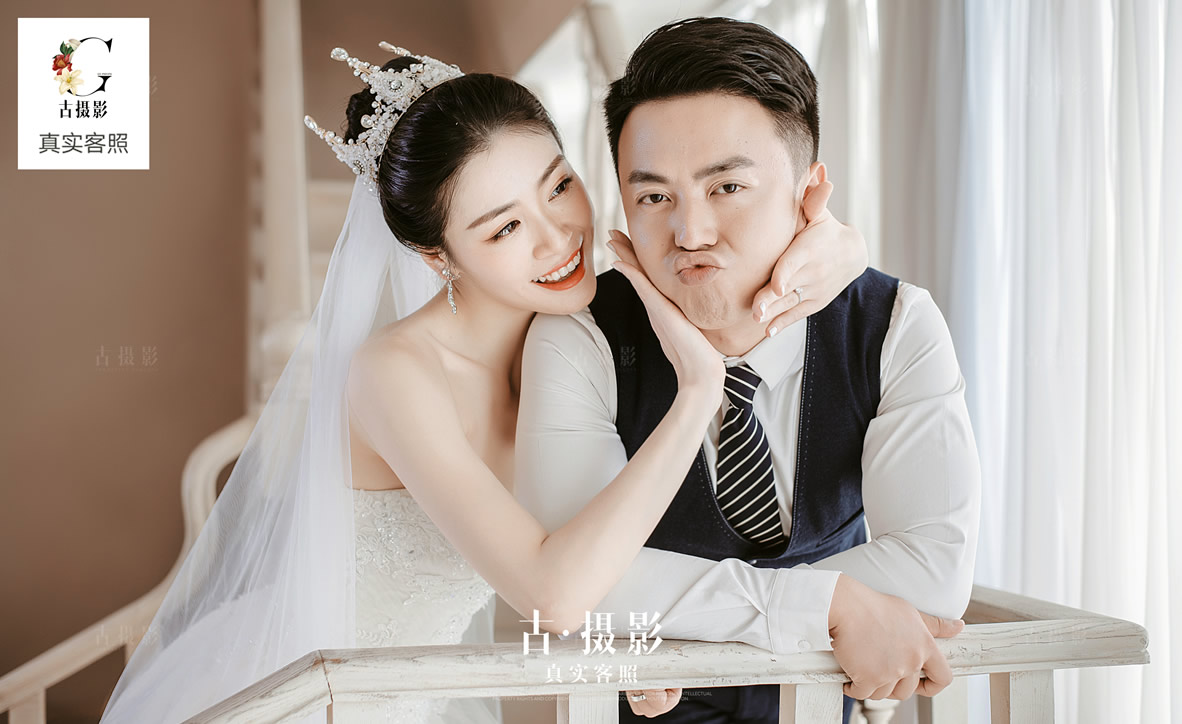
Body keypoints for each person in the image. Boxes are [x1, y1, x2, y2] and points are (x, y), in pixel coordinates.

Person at [96, 42, 869, 724]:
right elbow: (548, 593)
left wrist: (841, 245)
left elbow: (591, 550)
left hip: (416, 693)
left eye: (558, 186)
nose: (557, 236)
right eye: (504, 227)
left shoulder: (583, 332)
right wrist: (698, 393)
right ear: (437, 257)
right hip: (304, 693)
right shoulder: (396, 373)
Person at [515, 16, 981, 723]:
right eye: (654, 197)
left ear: (809, 193)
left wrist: (674, 610)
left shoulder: (894, 324)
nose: (690, 234)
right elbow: (578, 587)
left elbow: (934, 573)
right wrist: (830, 604)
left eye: (727, 187)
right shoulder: (579, 336)